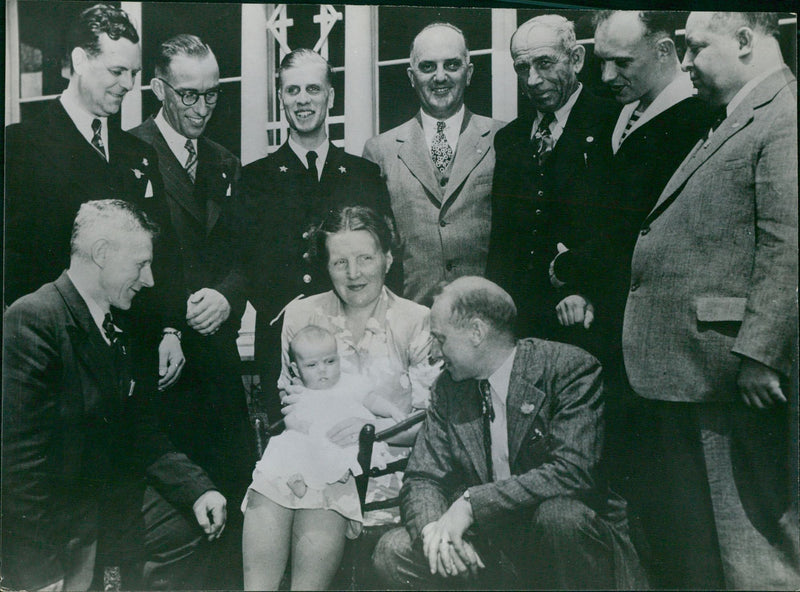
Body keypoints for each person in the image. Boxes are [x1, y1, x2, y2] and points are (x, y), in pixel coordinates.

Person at [623, 12, 799, 589]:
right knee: (720, 549)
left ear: (745, 40)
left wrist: (761, 353)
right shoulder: (743, 115)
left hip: (733, 375)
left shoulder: (783, 116)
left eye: (698, 47)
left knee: (754, 550)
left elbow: (789, 243)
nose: (688, 61)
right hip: (703, 370)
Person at [1, 200, 225, 592]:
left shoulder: (120, 322)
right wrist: (36, 570)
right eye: (141, 264)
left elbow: (140, 432)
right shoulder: (33, 319)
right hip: (54, 522)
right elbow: (17, 465)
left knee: (189, 525)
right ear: (102, 255)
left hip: (102, 506)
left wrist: (198, 489)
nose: (150, 279)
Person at [372, 276, 645, 589]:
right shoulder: (448, 389)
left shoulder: (568, 369)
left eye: (441, 338)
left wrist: (471, 504)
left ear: (476, 332)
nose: (434, 353)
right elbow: (423, 477)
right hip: (490, 543)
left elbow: (573, 472)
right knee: (394, 551)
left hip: (561, 538)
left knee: (559, 518)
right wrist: (435, 532)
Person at [550, 10, 712, 506]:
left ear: (664, 51)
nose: (605, 77)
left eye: (621, 62)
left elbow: (643, 233)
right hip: (614, 336)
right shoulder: (621, 112)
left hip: (669, 349)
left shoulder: (700, 120)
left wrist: (569, 268)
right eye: (601, 62)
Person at [243, 205, 439, 590]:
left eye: (366, 258)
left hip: (388, 471)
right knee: (269, 488)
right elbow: (292, 401)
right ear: (325, 266)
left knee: (318, 487)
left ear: (387, 257)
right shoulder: (301, 315)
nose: (354, 274)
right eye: (340, 262)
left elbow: (430, 424)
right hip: (313, 453)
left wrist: (372, 429)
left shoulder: (417, 320)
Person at [4, 3, 185, 392]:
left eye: (134, 73)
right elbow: (14, 264)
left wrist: (171, 330)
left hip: (136, 362)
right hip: (60, 360)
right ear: (79, 60)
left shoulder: (139, 154)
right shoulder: (19, 147)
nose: (128, 84)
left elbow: (164, 252)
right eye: (117, 71)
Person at [128, 34, 254, 590]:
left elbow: (248, 257)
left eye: (213, 95)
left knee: (233, 493)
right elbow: (128, 265)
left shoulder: (227, 163)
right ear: (159, 89)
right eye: (188, 96)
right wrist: (170, 326)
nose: (202, 109)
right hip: (163, 362)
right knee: (179, 514)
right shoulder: (129, 155)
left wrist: (228, 295)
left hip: (219, 363)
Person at [242, 48, 396, 422]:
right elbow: (244, 264)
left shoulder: (364, 175)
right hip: (285, 342)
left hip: (355, 340)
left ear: (330, 95)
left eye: (313, 89)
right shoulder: (254, 179)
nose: (303, 100)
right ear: (281, 97)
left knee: (360, 442)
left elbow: (384, 257)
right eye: (292, 91)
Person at [485, 14, 617, 352]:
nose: (532, 80)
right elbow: (503, 237)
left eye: (545, 63)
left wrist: (588, 287)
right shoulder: (510, 139)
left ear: (576, 59)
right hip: (522, 325)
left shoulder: (612, 122)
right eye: (522, 68)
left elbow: (624, 229)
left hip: (587, 320)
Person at [242, 325, 403, 590]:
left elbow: (373, 400)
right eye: (313, 365)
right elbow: (294, 421)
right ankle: (297, 480)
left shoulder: (350, 383)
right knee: (286, 449)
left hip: (337, 452)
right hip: (306, 446)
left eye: (330, 361)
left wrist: (393, 413)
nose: (324, 371)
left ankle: (309, 478)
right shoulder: (299, 391)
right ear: (296, 369)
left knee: (324, 457)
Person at [363, 23, 504, 306]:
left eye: (451, 65)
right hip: (414, 319)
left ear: (469, 72)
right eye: (428, 67)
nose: (441, 77)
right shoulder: (380, 150)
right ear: (411, 77)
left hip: (488, 316)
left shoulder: (502, 139)